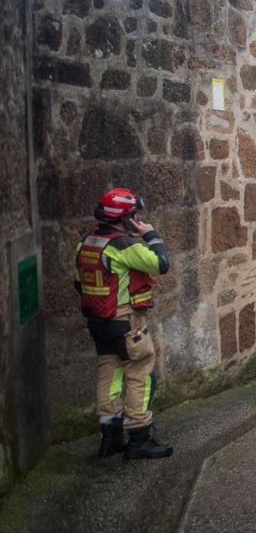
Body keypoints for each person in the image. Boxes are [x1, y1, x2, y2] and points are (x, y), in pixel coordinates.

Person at [74, 188, 172, 459]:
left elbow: (78, 283)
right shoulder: (123, 246)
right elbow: (161, 263)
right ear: (124, 217)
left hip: (98, 322)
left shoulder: (86, 243)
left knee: (109, 372)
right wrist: (151, 235)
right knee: (140, 373)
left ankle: (111, 437)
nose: (138, 218)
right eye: (134, 214)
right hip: (125, 321)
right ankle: (139, 439)